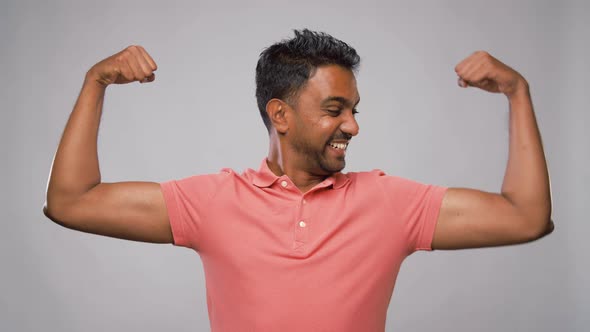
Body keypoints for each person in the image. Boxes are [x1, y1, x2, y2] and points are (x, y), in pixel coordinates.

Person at [44, 29, 553, 331]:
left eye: (353, 110)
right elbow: (73, 202)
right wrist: (97, 82)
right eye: (335, 109)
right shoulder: (213, 202)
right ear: (280, 115)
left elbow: (525, 217)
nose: (352, 125)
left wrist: (518, 92)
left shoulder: (391, 203)